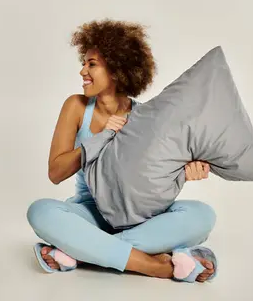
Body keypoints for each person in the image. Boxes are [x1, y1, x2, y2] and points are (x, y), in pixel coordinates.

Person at [26, 19, 218, 282]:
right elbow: (56, 172)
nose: (83, 71)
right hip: (90, 212)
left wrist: (186, 173)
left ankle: (85, 252)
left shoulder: (146, 117)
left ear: (117, 69)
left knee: (202, 215)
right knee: (41, 211)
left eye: (91, 64)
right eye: (83, 62)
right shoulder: (77, 106)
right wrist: (101, 137)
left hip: (141, 216)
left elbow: (154, 180)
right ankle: (156, 265)